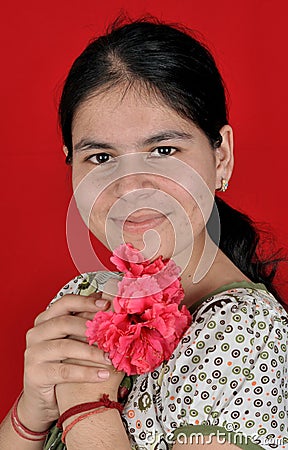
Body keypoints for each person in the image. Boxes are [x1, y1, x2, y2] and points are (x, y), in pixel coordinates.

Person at [0, 17, 287, 450]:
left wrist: (84, 401)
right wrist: (30, 414)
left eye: (164, 150)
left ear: (221, 156)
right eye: (100, 157)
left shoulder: (245, 330)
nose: (132, 186)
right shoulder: (82, 297)